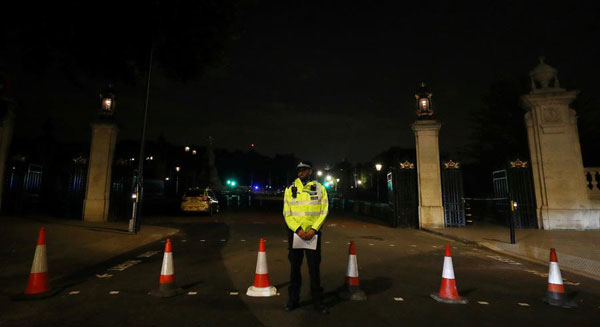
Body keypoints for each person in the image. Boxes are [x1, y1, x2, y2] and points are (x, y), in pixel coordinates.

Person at [283, 161, 329, 314]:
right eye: (299, 170)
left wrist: (314, 229)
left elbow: (324, 210)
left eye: (304, 169)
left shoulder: (320, 188)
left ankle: (318, 302)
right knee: (294, 269)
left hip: (313, 234)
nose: (301, 172)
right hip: (296, 234)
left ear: (310, 171)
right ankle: (292, 300)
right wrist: (298, 229)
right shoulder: (290, 189)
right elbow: (287, 213)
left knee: (314, 269)